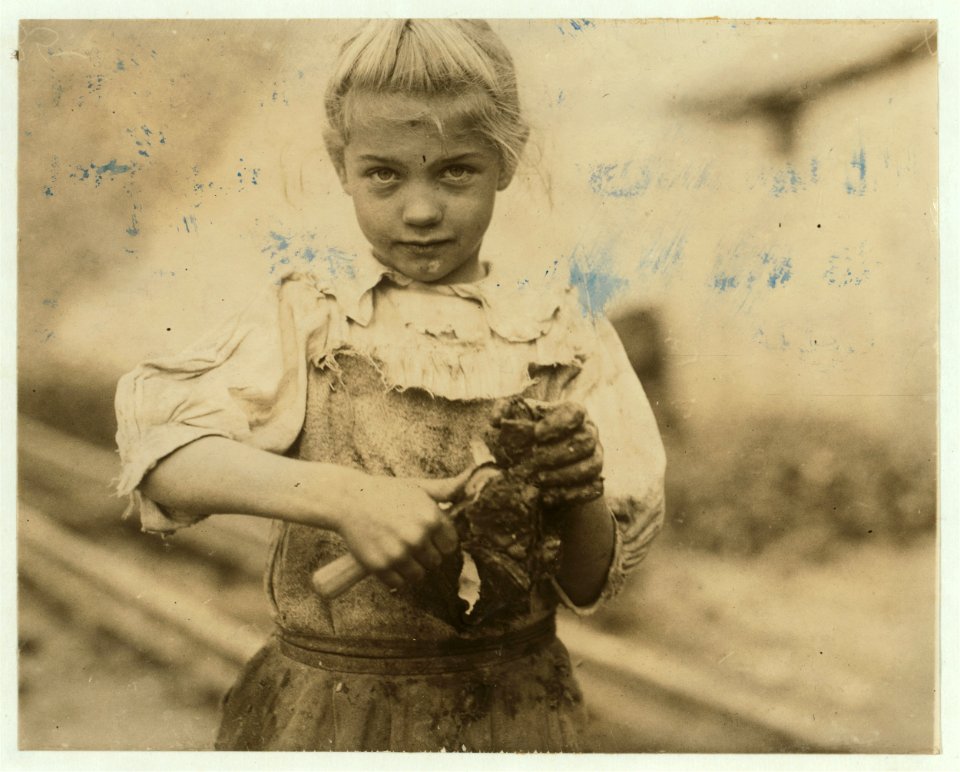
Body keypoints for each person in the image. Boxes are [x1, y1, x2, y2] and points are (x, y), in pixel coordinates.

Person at [115, 19, 665, 752]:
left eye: (456, 171)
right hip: (330, 715)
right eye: (384, 173)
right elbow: (164, 459)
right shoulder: (311, 312)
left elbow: (591, 579)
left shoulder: (562, 331)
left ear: (508, 159)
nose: (421, 209)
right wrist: (347, 496)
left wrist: (579, 489)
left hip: (513, 713)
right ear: (341, 164)